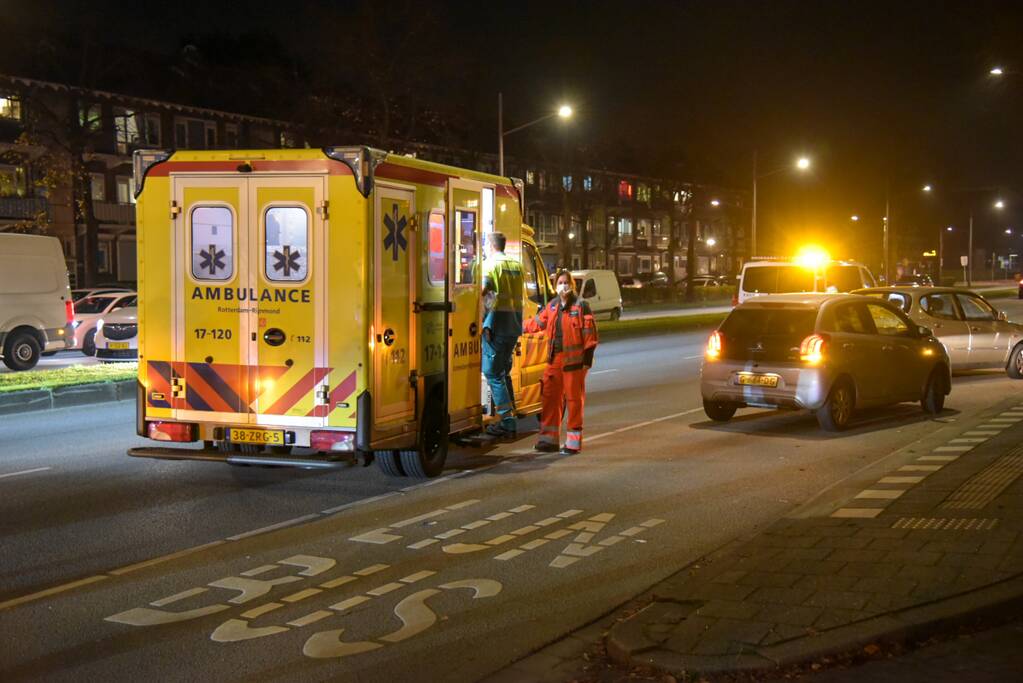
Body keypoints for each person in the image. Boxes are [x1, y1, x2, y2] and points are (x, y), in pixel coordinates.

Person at [524, 270, 598, 455]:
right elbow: (536, 324)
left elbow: (590, 336)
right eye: (560, 282)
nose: (563, 285)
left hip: (575, 363)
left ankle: (573, 443)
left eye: (566, 282)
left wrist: (587, 361)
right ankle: (548, 441)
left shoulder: (581, 306)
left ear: (572, 285)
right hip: (555, 360)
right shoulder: (552, 306)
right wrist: (513, 323)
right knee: (549, 397)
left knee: (574, 401)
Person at [481, 231, 524, 438]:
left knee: (492, 373)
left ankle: (507, 422)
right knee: (503, 373)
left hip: (496, 327)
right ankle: (511, 414)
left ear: (490, 245)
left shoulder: (490, 265)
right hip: (513, 326)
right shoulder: (516, 265)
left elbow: (483, 291)